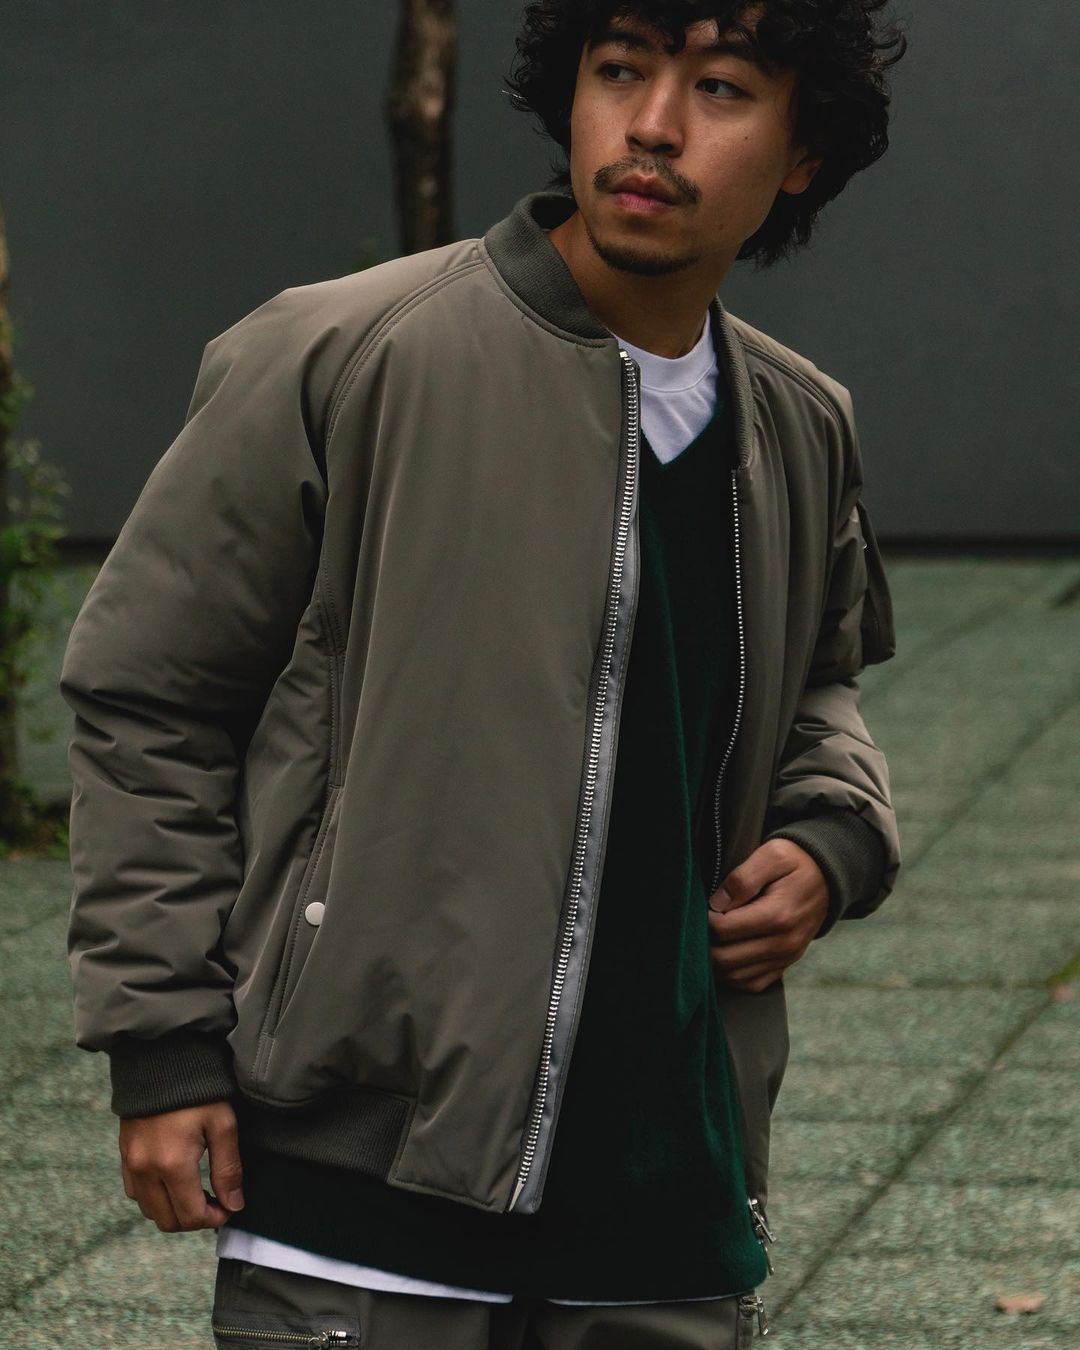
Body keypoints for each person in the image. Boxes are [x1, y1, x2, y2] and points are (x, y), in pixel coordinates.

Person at [62, 1, 907, 1345]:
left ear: (804, 153)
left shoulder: (800, 423)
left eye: (722, 88)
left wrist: (833, 834)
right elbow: (151, 698)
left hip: (666, 1199)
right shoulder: (341, 353)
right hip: (360, 1196)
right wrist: (160, 1047)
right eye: (620, 69)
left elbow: (822, 687)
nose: (652, 125)